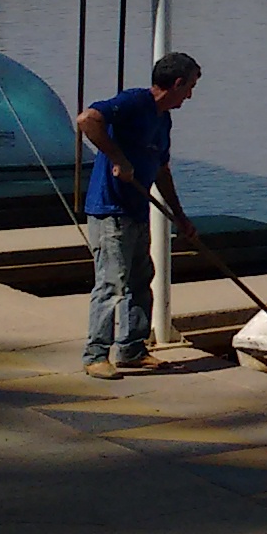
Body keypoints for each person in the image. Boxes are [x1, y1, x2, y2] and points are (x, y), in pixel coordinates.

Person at [71, 51, 199, 380]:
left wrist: (179, 216)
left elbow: (161, 170)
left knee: (141, 281)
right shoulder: (134, 102)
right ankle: (95, 354)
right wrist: (117, 157)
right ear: (177, 83)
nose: (190, 96)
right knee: (111, 283)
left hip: (137, 212)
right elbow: (87, 120)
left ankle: (132, 348)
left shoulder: (163, 120)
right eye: (190, 88)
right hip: (110, 210)